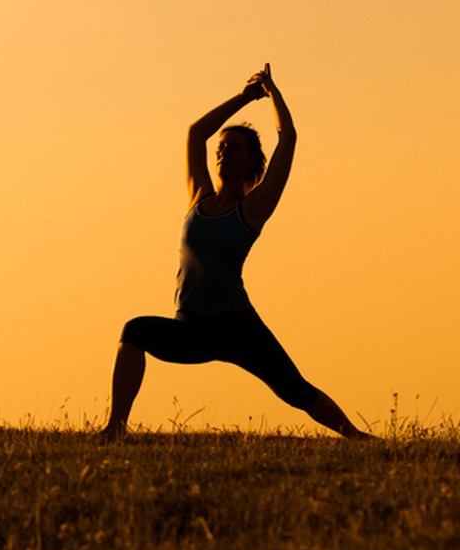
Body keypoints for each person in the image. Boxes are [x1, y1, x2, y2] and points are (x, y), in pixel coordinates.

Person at [99, 64, 369, 439]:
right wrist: (243, 98)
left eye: (234, 148)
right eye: (222, 148)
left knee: (295, 390)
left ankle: (358, 438)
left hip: (237, 327)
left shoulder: (253, 208)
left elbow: (288, 138)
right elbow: (196, 134)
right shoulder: (198, 196)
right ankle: (115, 428)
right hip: (191, 326)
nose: (223, 152)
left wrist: (272, 94)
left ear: (251, 161)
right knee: (135, 331)